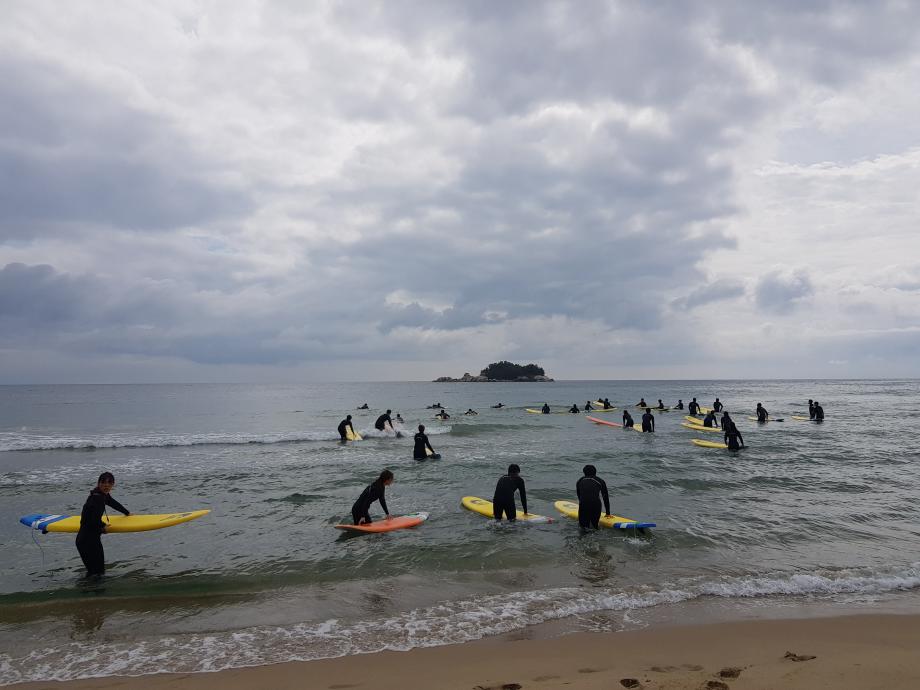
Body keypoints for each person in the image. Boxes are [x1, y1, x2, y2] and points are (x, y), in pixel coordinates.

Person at [75, 472, 130, 577]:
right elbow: (92, 518)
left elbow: (112, 503)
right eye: (103, 482)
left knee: (94, 573)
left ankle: (86, 590)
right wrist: (103, 526)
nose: (106, 485)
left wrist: (127, 512)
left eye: (110, 483)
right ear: (98, 483)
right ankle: (93, 591)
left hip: (85, 540)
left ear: (113, 484)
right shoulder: (97, 498)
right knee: (98, 573)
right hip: (88, 542)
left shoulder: (101, 495)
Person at [576, 464, 611, 530]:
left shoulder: (579, 481)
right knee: (594, 526)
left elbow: (579, 496)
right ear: (595, 472)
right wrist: (608, 513)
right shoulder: (600, 481)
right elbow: (605, 497)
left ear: (584, 472)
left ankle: (583, 539)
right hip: (595, 505)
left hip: (583, 504)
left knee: (583, 527)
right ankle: (596, 539)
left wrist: (582, 506)